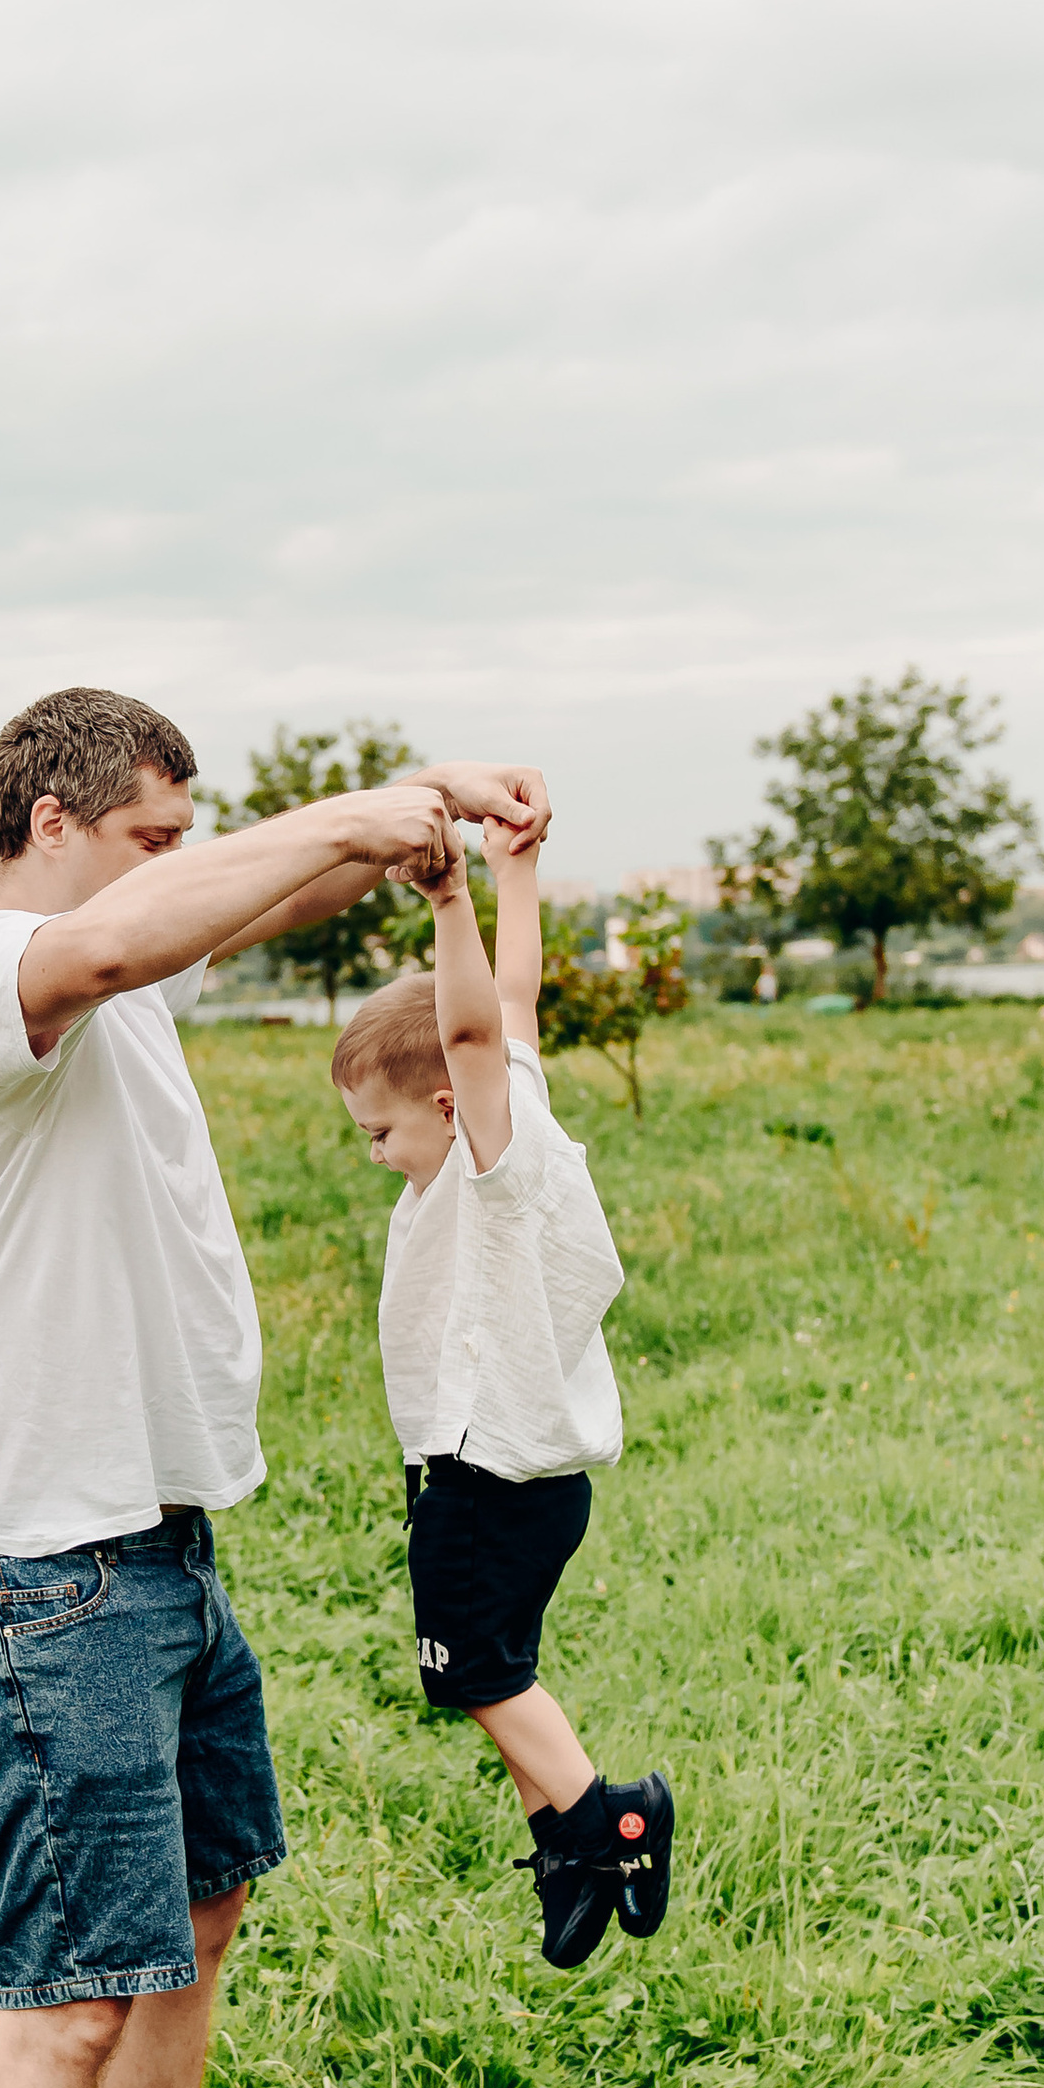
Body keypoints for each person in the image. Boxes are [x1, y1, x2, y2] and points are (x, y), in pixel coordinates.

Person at [0, 686, 546, 2088]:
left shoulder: (121, 959)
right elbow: (160, 921)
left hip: (152, 1536)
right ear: (50, 821)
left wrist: (401, 844)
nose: (180, 874)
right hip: (33, 1567)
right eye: (152, 835)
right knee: (69, 1991)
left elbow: (233, 907)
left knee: (203, 1909)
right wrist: (360, 804)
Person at [329, 813, 673, 1968]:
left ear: (440, 1106)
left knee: (469, 1672)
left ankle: (610, 1819)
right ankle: (569, 1859)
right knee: (494, 1672)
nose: (370, 1153)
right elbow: (509, 1004)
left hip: (486, 1472)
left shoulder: (494, 1151)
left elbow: (475, 1020)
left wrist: (449, 898)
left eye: (376, 1131)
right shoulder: (511, 1101)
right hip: (528, 1475)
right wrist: (516, 871)